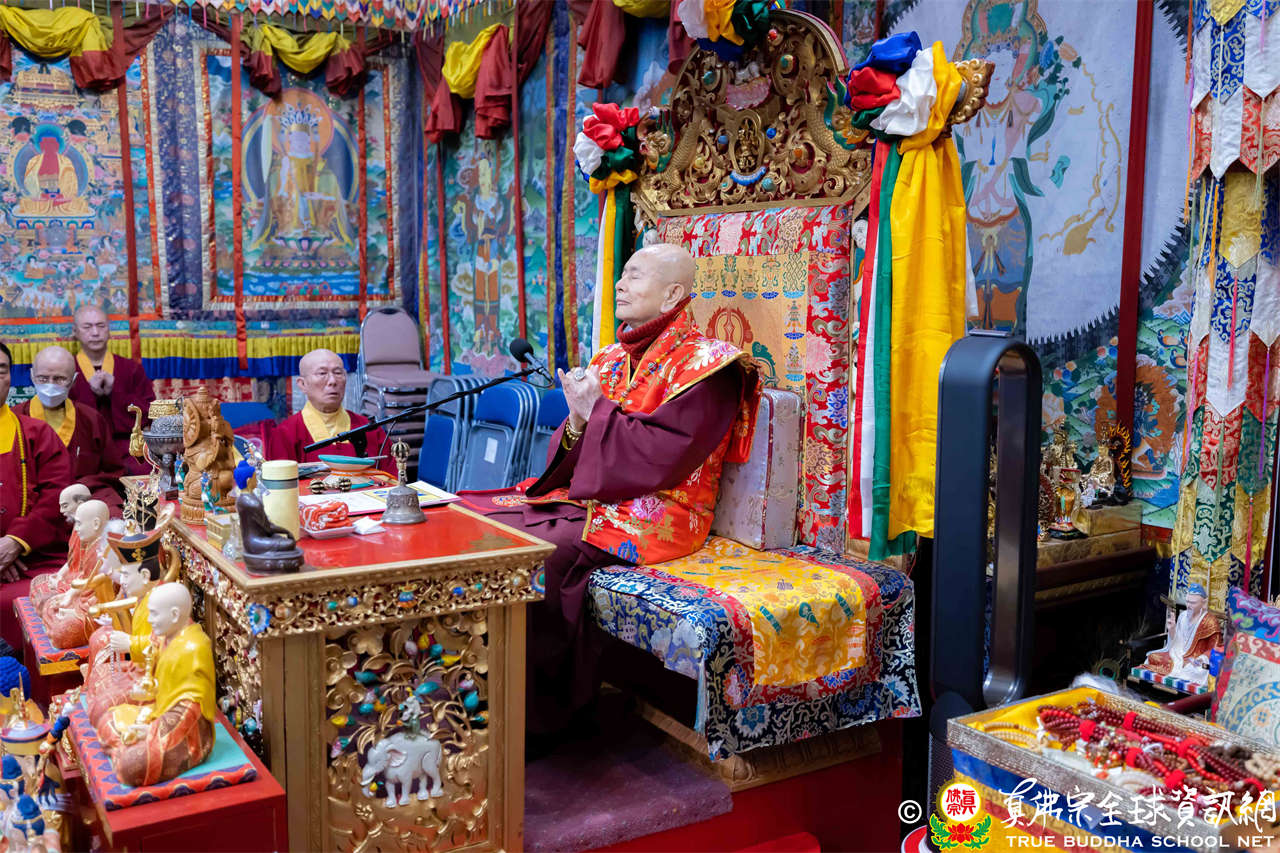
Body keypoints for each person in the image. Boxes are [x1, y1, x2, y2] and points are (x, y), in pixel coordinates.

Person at [464, 244, 758, 737]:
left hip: (660, 513)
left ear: (673, 295)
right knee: (482, 522)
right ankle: (477, 689)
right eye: (622, 274)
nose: (619, 284)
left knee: (538, 557)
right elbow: (573, 449)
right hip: (597, 500)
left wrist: (595, 411)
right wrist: (580, 421)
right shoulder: (611, 357)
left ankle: (532, 719)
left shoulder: (710, 367)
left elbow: (663, 460)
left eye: (634, 275)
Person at [0, 341, 72, 652]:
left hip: (33, 560)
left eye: (1, 370)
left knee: (58, 600)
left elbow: (56, 497)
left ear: (10, 378)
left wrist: (15, 542)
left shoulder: (36, 434)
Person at [15, 345, 123, 513]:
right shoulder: (15, 419)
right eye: (43, 378)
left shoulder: (91, 419)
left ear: (73, 380)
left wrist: (82, 488)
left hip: (82, 502)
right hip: (32, 503)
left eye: (59, 379)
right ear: (32, 376)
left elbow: (113, 473)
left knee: (112, 513)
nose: (50, 385)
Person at [266, 348, 397, 476]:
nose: (332, 381)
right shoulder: (285, 433)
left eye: (338, 373)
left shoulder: (369, 429)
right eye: (322, 373)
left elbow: (391, 478)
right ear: (302, 384)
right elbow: (280, 484)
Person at [68, 305, 155, 476]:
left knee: (145, 471)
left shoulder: (130, 368)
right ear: (75, 332)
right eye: (87, 327)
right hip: (83, 448)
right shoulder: (67, 370)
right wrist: (90, 394)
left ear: (109, 330)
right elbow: (61, 414)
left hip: (126, 449)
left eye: (101, 326)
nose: (95, 333)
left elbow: (149, 413)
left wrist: (115, 393)